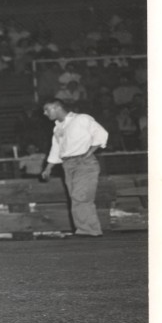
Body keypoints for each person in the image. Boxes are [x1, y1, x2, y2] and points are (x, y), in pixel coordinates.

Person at [41, 99, 109, 237]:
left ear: (57, 107)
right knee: (76, 198)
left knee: (81, 197)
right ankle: (85, 231)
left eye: (47, 109)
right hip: (67, 165)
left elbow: (102, 134)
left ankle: (89, 230)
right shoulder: (58, 128)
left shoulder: (81, 119)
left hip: (84, 163)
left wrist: (89, 152)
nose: (44, 113)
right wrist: (48, 168)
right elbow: (56, 149)